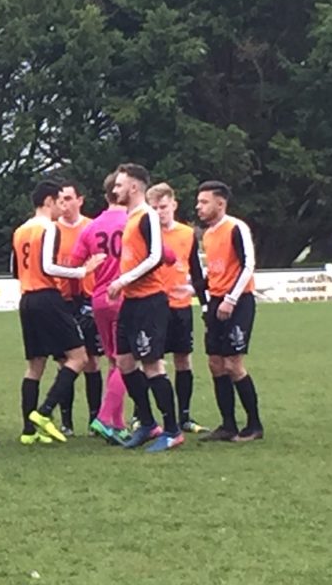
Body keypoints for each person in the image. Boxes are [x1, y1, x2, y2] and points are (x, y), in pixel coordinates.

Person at [10, 180, 106, 445]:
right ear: (50, 201)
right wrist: (82, 271)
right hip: (47, 297)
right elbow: (48, 266)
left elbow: (16, 270)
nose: (61, 208)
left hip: (27, 298)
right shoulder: (49, 228)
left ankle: (28, 430)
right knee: (79, 357)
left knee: (35, 365)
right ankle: (44, 412)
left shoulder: (20, 231)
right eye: (59, 202)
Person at [107, 163, 184, 452]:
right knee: (125, 362)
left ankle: (173, 429)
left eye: (119, 185)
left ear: (134, 187)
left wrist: (121, 280)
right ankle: (149, 423)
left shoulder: (147, 216)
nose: (115, 190)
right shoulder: (130, 218)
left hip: (150, 301)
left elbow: (154, 257)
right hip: (132, 301)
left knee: (152, 365)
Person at [192, 181, 264, 442]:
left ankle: (254, 426)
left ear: (220, 203)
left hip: (238, 302)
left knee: (234, 364)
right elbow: (214, 273)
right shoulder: (208, 234)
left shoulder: (236, 228)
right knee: (215, 364)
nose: (198, 207)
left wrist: (231, 299)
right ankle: (228, 425)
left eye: (204, 202)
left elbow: (248, 265)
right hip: (217, 302)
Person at [69, 172, 131, 443]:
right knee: (129, 360)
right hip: (125, 296)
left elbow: (74, 264)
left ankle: (117, 424)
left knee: (114, 360)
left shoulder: (91, 227)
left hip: (99, 299)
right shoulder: (134, 221)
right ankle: (105, 417)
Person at [146, 183, 209, 434]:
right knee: (151, 361)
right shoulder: (147, 234)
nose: (159, 212)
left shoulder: (186, 234)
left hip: (181, 306)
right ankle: (148, 416)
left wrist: (203, 302)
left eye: (163, 207)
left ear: (173, 205)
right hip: (153, 305)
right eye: (154, 208)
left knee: (183, 359)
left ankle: (184, 415)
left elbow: (195, 270)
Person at [53, 182, 102, 437]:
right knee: (65, 362)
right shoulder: (52, 229)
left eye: (69, 198)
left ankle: (96, 418)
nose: (65, 203)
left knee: (92, 361)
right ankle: (66, 421)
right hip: (61, 302)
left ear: (80, 200)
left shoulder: (92, 227)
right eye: (61, 198)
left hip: (88, 300)